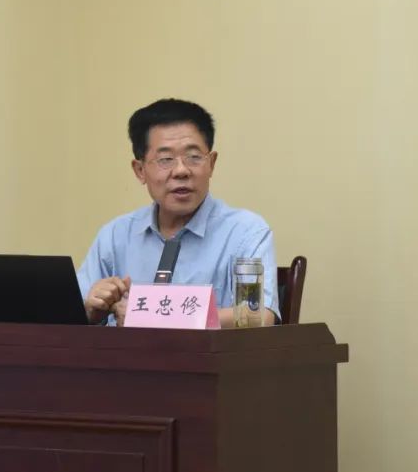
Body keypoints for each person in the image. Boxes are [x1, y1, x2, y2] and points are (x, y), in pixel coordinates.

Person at [77, 98, 279, 327]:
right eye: (165, 159)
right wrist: (90, 310)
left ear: (211, 163)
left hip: (206, 352)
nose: (181, 170)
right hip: (125, 353)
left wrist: (150, 316)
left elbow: (258, 316)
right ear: (140, 170)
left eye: (194, 157)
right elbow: (70, 316)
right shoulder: (115, 235)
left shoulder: (245, 232)